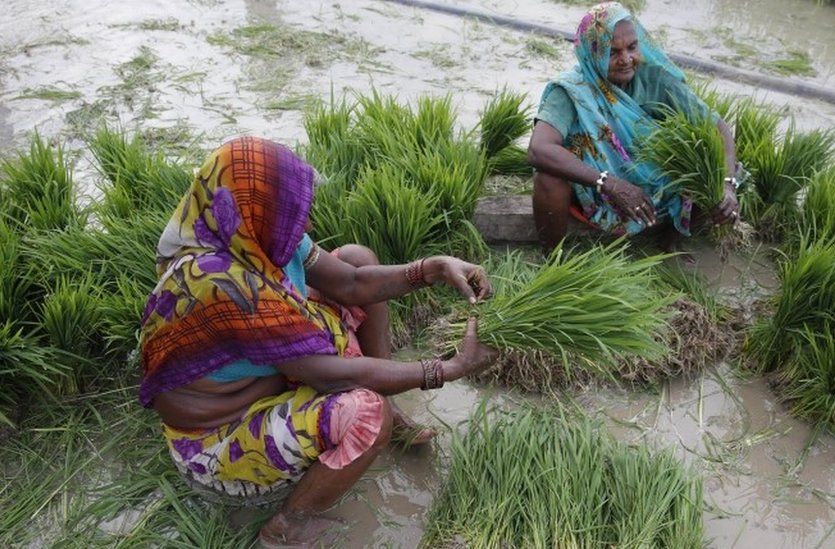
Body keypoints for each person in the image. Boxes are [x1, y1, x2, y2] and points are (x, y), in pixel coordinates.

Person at [137, 136, 499, 547]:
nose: (305, 225)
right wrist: (446, 369)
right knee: (366, 413)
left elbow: (352, 281)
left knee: (358, 257)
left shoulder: (255, 232)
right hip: (218, 441)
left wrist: (431, 268)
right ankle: (286, 526)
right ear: (254, 208)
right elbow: (330, 376)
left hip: (268, 375)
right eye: (291, 213)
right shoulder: (222, 284)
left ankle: (393, 407)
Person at [528, 2, 740, 251]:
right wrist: (608, 183)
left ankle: (670, 243)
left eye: (632, 47)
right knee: (548, 178)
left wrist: (727, 185)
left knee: (708, 162)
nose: (626, 59)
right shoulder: (572, 90)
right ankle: (552, 258)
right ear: (592, 53)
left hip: (652, 188)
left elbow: (718, 128)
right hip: (590, 189)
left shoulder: (656, 80)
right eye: (612, 52)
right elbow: (539, 149)